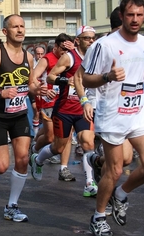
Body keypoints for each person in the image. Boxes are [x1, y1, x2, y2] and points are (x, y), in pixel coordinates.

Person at [83, 0, 144, 236]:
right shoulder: (104, 45)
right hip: (113, 113)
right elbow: (86, 79)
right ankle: (98, 217)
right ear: (122, 15)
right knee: (114, 170)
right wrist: (107, 77)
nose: (135, 19)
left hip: (137, 111)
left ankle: (121, 194)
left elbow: (137, 73)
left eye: (139, 15)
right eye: (130, 15)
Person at [0, 14, 40, 223]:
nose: (20, 30)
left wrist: (37, 89)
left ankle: (11, 206)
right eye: (15, 27)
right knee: (1, 166)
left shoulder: (29, 57)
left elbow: (29, 85)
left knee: (22, 159)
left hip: (20, 113)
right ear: (5, 32)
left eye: (22, 26)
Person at [31, 26, 98, 197]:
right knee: (59, 147)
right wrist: (66, 80)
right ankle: (37, 159)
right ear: (78, 40)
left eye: (93, 38)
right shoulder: (69, 57)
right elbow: (50, 77)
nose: (90, 41)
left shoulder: (96, 57)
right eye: (86, 38)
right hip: (64, 109)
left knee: (88, 143)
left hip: (84, 108)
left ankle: (89, 183)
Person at [30, 33, 75, 181]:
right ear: (55, 47)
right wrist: (42, 89)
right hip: (49, 100)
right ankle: (35, 150)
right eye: (63, 48)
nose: (65, 52)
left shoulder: (71, 58)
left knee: (67, 136)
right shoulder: (47, 59)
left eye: (68, 48)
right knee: (49, 136)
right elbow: (34, 77)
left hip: (66, 100)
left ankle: (64, 168)